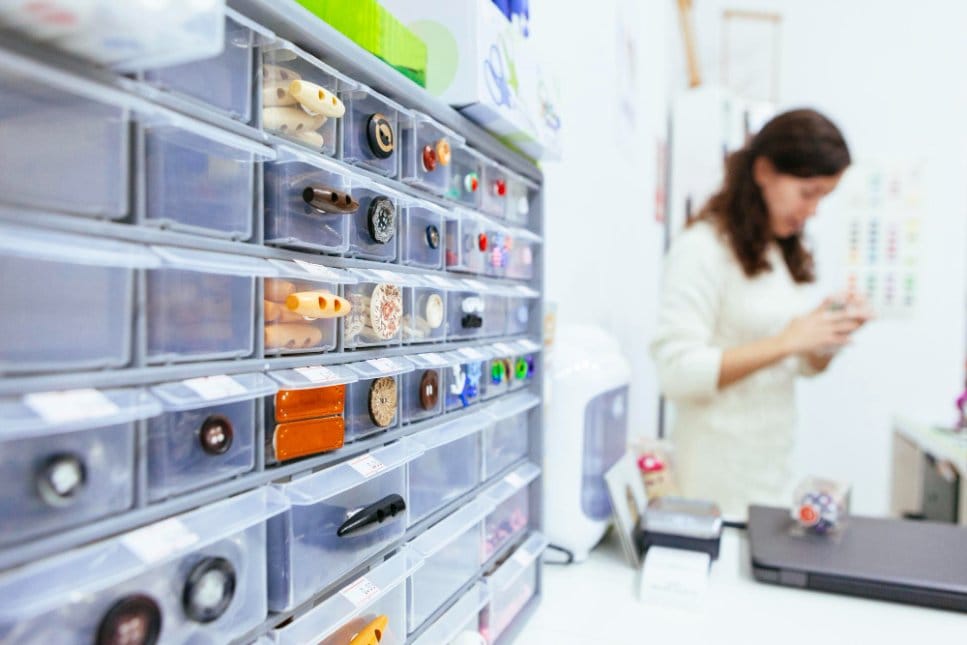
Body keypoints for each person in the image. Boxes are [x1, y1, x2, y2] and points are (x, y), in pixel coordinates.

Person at [650, 108, 871, 519]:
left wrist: (825, 334)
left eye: (823, 197)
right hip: (713, 478)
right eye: (808, 192)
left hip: (770, 470)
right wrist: (787, 340)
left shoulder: (778, 254)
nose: (813, 210)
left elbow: (800, 366)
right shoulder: (703, 249)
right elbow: (676, 372)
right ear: (764, 171)